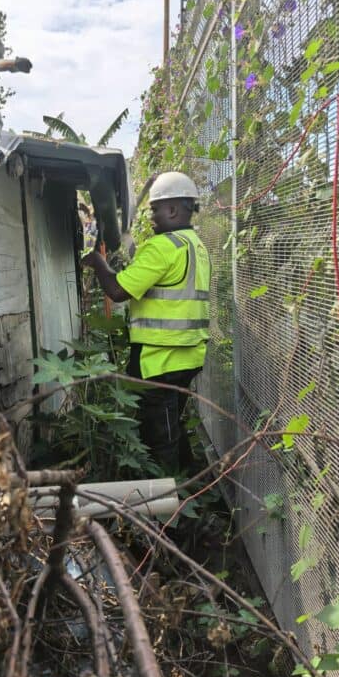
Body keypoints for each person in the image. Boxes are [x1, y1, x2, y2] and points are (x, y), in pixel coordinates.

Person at [82, 172, 211, 470]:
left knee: (158, 440)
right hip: (188, 356)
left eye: (155, 209)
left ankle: (169, 509)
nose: (151, 216)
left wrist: (98, 262)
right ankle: (190, 488)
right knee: (171, 428)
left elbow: (117, 290)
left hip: (160, 360)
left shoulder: (163, 246)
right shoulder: (196, 246)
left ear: (174, 210)